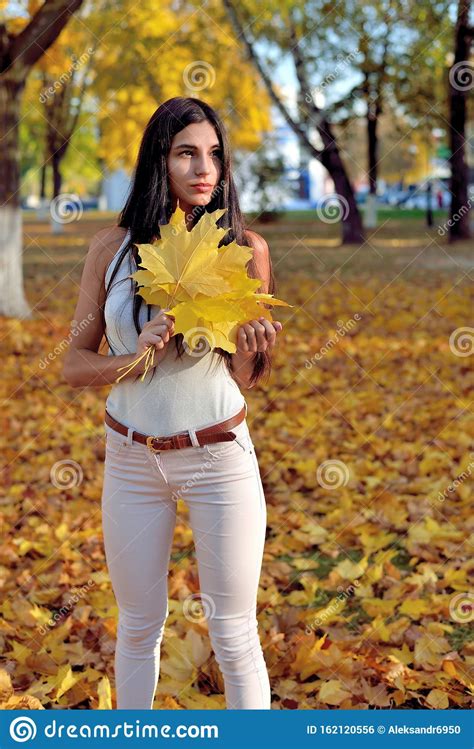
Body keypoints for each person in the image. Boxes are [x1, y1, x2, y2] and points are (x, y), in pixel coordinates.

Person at [63, 96, 283, 710]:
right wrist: (134, 357)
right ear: (158, 160)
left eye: (214, 155)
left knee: (234, 633)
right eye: (186, 152)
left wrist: (254, 348)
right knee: (137, 626)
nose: (202, 168)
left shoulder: (246, 250)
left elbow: (244, 375)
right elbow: (72, 364)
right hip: (132, 460)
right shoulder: (112, 251)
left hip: (218, 455)